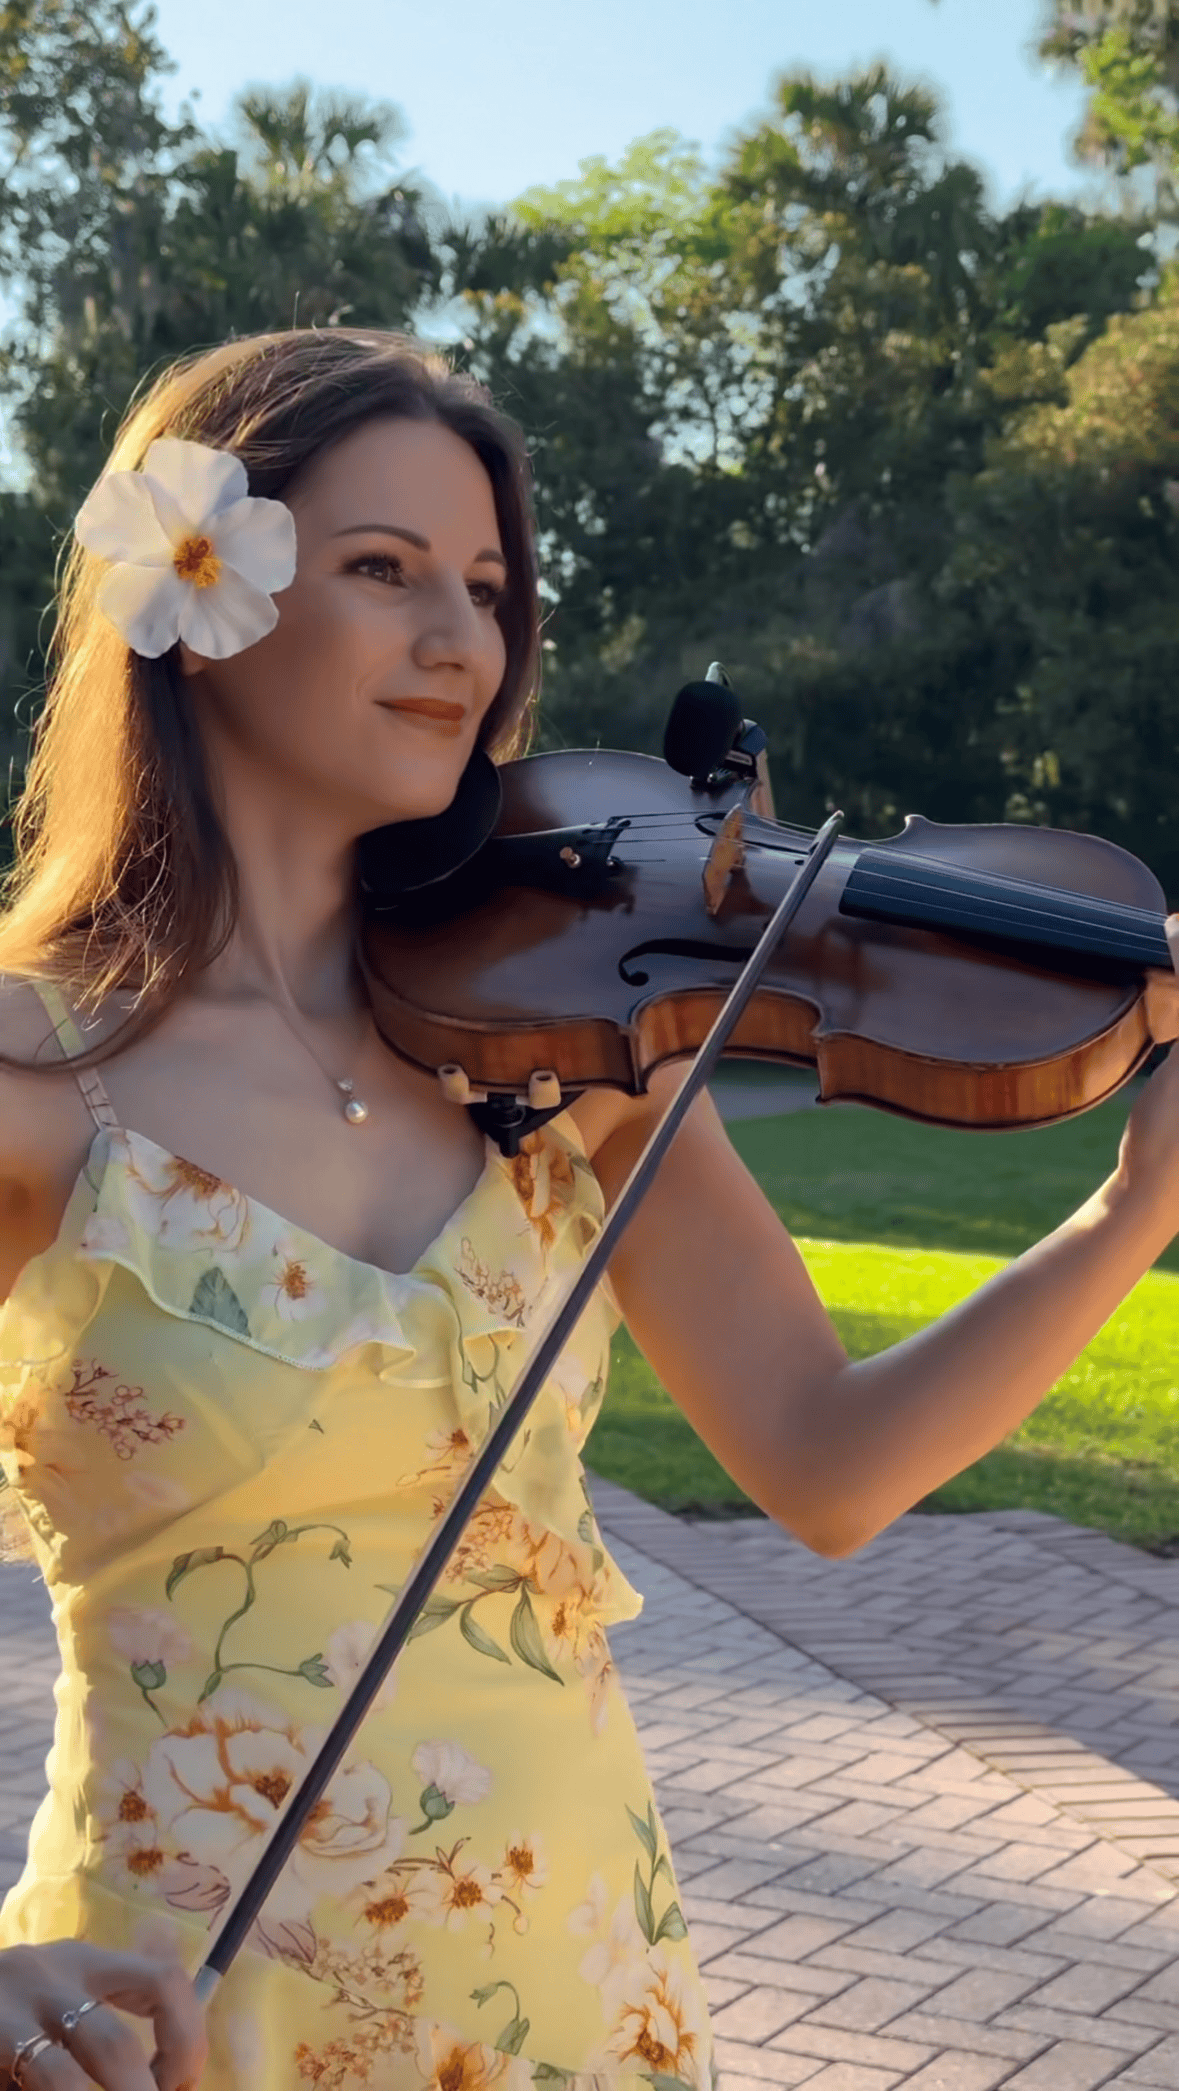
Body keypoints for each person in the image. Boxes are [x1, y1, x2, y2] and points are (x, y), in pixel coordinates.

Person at [0, 328, 1176, 2091]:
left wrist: (1130, 1214)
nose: (462, 640)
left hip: (573, 1991)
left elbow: (825, 1462)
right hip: (174, 2012)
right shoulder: (39, 1083)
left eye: (483, 585)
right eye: (382, 571)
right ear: (197, 597)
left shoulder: (566, 1064)